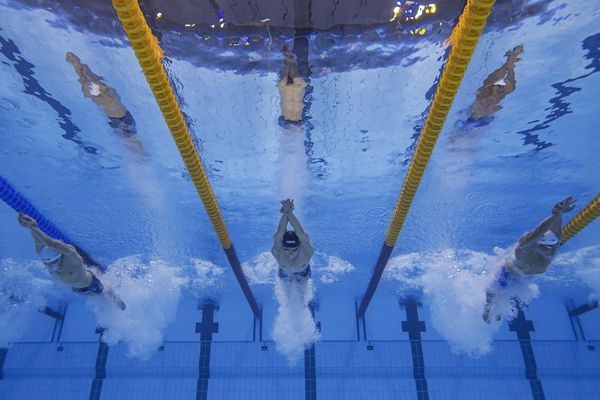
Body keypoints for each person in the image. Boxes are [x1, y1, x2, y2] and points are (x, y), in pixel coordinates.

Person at [483, 196, 576, 323]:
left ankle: (499, 308)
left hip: (524, 276)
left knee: (509, 292)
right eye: (547, 247)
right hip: (509, 272)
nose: (549, 249)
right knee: (492, 291)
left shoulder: (550, 248)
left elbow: (552, 235)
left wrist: (558, 215)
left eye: (551, 246)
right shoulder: (524, 250)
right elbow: (538, 232)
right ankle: (488, 308)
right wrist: (556, 215)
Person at [17, 213, 126, 310]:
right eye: (47, 263)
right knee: (94, 296)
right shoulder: (44, 253)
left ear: (59, 257)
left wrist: (35, 228)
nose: (50, 265)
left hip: (90, 284)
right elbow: (39, 242)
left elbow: (53, 244)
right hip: (76, 288)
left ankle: (118, 302)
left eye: (52, 262)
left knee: (104, 291)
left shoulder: (71, 256)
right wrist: (32, 227)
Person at [66, 52, 144, 154]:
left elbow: (86, 79)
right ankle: (142, 157)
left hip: (120, 118)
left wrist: (75, 63)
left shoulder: (97, 91)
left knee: (130, 142)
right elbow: (83, 75)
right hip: (119, 117)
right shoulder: (93, 85)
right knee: (130, 142)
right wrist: (75, 63)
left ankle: (142, 157)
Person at [469, 45, 524, 122]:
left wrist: (492, 91)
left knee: (498, 77)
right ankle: (511, 63)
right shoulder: (488, 109)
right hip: (498, 92)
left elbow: (482, 91)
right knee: (511, 87)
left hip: (489, 85)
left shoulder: (479, 99)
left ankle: (511, 60)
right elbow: (499, 107)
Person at [271, 199, 314, 281]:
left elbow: (300, 232)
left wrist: (289, 214)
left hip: (303, 271)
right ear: (282, 246)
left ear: (300, 245)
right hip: (284, 271)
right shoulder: (277, 250)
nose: (291, 253)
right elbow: (280, 232)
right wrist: (285, 214)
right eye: (287, 249)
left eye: (294, 250)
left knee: (303, 284)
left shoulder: (307, 250)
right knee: (284, 282)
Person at [276, 46, 307, 122]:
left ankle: (288, 57)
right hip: (291, 89)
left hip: (293, 89)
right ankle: (288, 56)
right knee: (290, 71)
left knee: (290, 71)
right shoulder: (290, 120)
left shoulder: (297, 120)